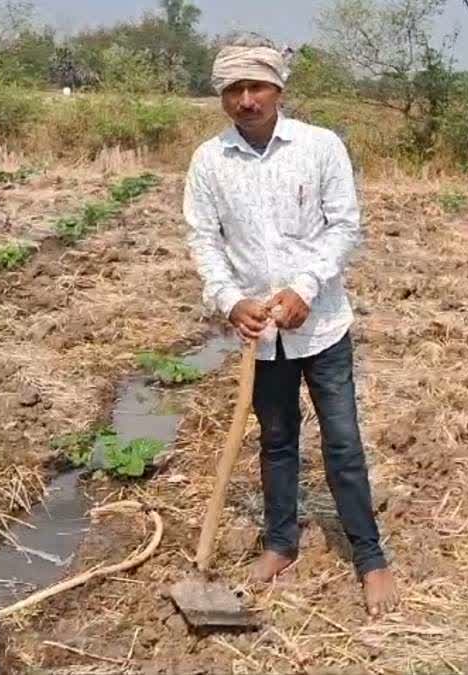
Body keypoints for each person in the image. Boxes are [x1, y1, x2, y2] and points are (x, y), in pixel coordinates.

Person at [182, 35, 398, 617]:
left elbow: (344, 227)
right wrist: (229, 300)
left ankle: (369, 556)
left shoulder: (320, 147)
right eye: (234, 89)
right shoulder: (210, 161)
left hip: (323, 327)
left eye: (256, 86)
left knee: (343, 442)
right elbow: (204, 240)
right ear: (222, 96)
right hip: (262, 336)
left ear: (279, 88)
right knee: (276, 441)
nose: (246, 99)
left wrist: (305, 288)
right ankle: (281, 543)